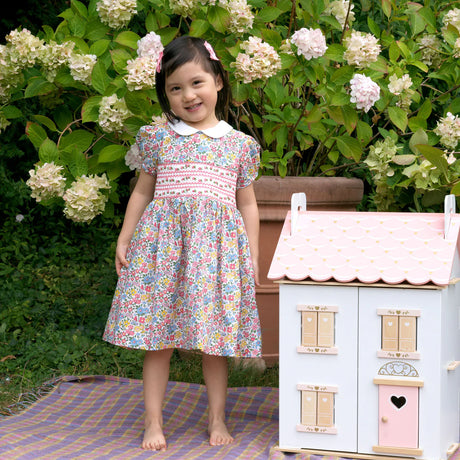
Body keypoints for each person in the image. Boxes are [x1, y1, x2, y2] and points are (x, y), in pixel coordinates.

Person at [103, 35, 262, 452]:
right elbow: (142, 192)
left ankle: (217, 416)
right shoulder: (158, 140)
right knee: (158, 339)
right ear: (166, 96)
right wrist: (125, 237)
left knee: (215, 341)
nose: (188, 95)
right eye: (175, 88)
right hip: (163, 254)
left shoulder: (239, 145)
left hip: (215, 257)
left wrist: (251, 253)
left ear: (218, 82)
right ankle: (153, 420)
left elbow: (247, 203)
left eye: (196, 83)